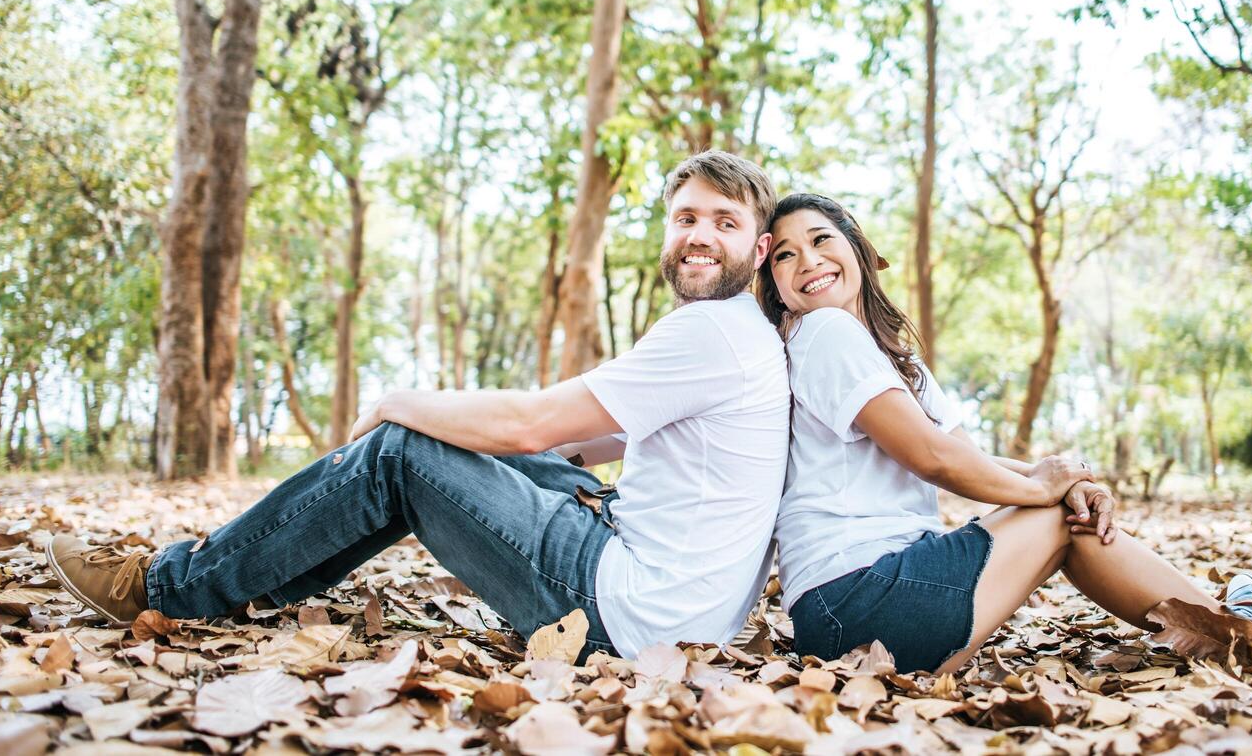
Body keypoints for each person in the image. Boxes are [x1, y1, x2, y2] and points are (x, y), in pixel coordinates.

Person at [46, 151, 791, 661]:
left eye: (724, 222)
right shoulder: (742, 335)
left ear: (757, 251)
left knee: (404, 451)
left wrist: (401, 404)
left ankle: (168, 587)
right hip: (674, 611)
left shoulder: (711, 330)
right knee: (474, 454)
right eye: (686, 218)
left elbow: (531, 421)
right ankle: (262, 580)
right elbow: (587, 440)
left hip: (620, 616)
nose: (699, 236)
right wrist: (496, 466)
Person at [756, 192, 1252, 675]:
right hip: (855, 604)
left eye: (820, 239)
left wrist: (1069, 479)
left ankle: (1238, 628)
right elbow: (935, 459)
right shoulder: (822, 333)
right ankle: (1249, 633)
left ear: (858, 249)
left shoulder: (891, 358)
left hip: (869, 603)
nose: (806, 260)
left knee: (1065, 509)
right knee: (1058, 518)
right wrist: (1051, 491)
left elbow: (967, 455)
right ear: (775, 286)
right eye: (783, 255)